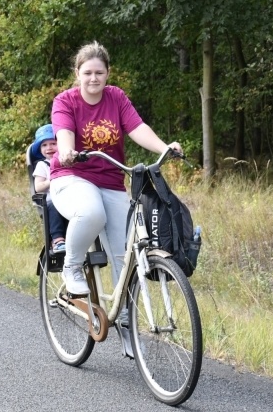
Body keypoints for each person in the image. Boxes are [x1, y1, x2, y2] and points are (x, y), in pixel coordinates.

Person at [49, 41, 182, 297]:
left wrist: (164, 148)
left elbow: (137, 127)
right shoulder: (65, 101)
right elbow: (63, 131)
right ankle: (72, 267)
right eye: (87, 73)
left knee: (126, 254)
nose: (93, 78)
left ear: (107, 73)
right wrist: (66, 150)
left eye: (99, 72)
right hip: (72, 176)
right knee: (90, 213)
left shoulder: (116, 97)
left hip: (110, 180)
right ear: (77, 74)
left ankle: (124, 324)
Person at [30, 123, 68, 252]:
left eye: (53, 143)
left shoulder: (67, 162)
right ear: (40, 149)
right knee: (54, 206)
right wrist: (52, 180)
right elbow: (38, 187)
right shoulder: (42, 165)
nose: (49, 148)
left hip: (69, 197)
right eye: (44, 145)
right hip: (52, 200)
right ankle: (58, 240)